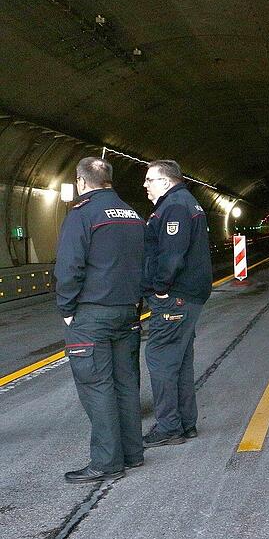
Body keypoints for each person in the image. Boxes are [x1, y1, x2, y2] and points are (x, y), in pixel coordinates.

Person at [54, 157, 145, 483]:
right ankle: (132, 453)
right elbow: (144, 263)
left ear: (81, 182)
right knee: (125, 383)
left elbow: (69, 268)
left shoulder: (82, 215)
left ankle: (107, 462)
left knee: (97, 387)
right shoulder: (134, 215)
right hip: (128, 312)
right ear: (109, 179)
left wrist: (67, 310)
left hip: (92, 315)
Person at [142, 160, 212, 447]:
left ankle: (169, 426)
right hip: (189, 296)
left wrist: (159, 289)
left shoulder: (174, 207)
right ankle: (186, 423)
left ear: (166, 181)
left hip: (175, 297)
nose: (144, 185)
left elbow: (172, 255)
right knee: (180, 361)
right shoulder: (188, 203)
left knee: (159, 358)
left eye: (149, 179)